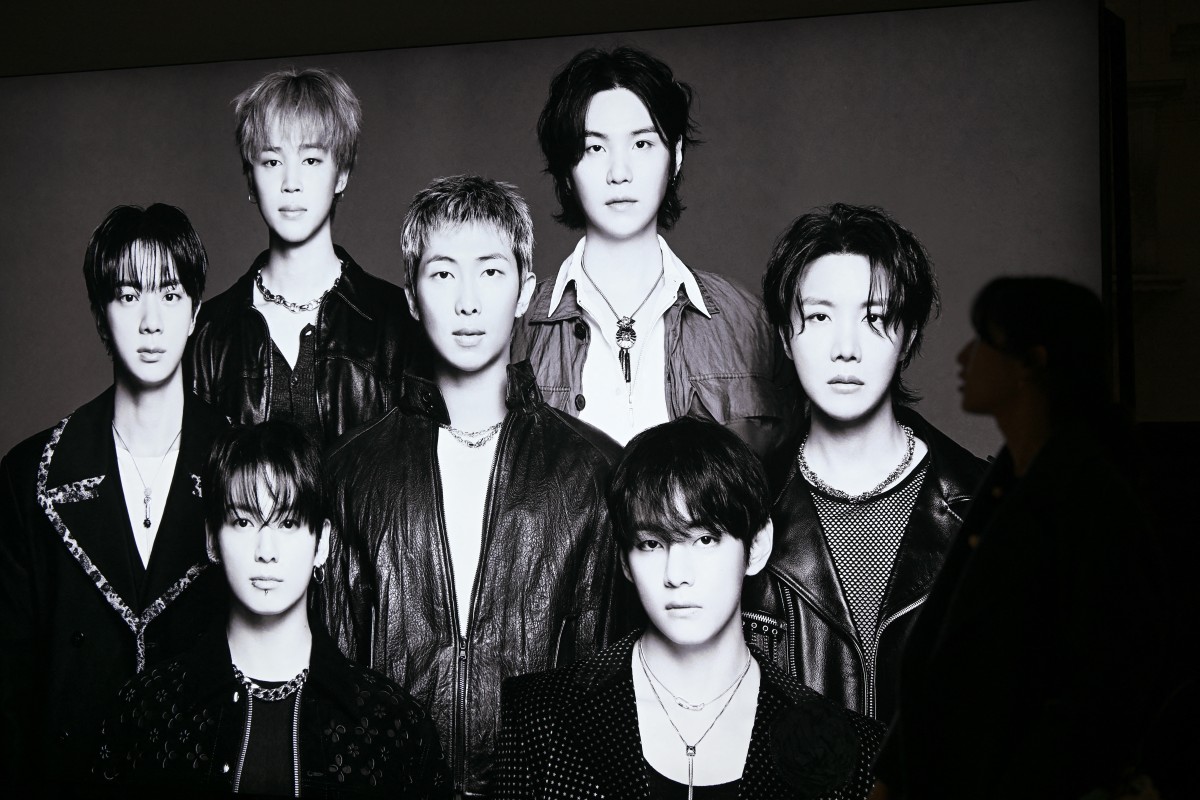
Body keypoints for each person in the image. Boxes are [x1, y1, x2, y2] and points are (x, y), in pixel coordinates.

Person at [322, 175, 627, 797]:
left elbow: (611, 680)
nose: (467, 302)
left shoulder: (593, 470)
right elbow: (331, 680)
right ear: (411, 296)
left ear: (525, 292)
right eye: (442, 274)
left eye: (490, 272)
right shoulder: (350, 473)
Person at [871, 277, 1168, 799]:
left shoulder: (1088, 499)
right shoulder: (1007, 481)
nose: (964, 357)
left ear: (1031, 362)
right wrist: (893, 777)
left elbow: (1100, 687)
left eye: (984, 340)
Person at [495, 417, 883, 800]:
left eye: (705, 540)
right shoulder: (538, 717)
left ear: (756, 547)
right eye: (651, 544)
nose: (676, 575)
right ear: (625, 559)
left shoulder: (854, 749)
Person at [0, 204, 227, 792]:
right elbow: (7, 687)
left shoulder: (241, 467)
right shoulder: (30, 476)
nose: (151, 321)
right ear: (102, 314)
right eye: (128, 296)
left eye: (171, 295)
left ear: (195, 311)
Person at [95, 420, 449, 797]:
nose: (266, 551)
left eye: (288, 522)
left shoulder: (393, 725)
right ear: (212, 539)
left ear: (322, 543)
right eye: (243, 521)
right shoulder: (145, 711)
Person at [741, 203, 987, 722]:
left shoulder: (986, 507)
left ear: (909, 336)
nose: (846, 348)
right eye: (819, 316)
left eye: (874, 318)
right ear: (785, 337)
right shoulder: (741, 508)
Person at [512, 46, 794, 454]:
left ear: (675, 157)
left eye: (642, 144)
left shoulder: (748, 322)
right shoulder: (516, 328)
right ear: (566, 171)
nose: (619, 173)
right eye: (595, 148)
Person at [189, 67, 419, 445]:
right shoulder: (207, 333)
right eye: (272, 161)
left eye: (310, 160)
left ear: (341, 174)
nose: (290, 183)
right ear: (251, 180)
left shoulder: (397, 324)